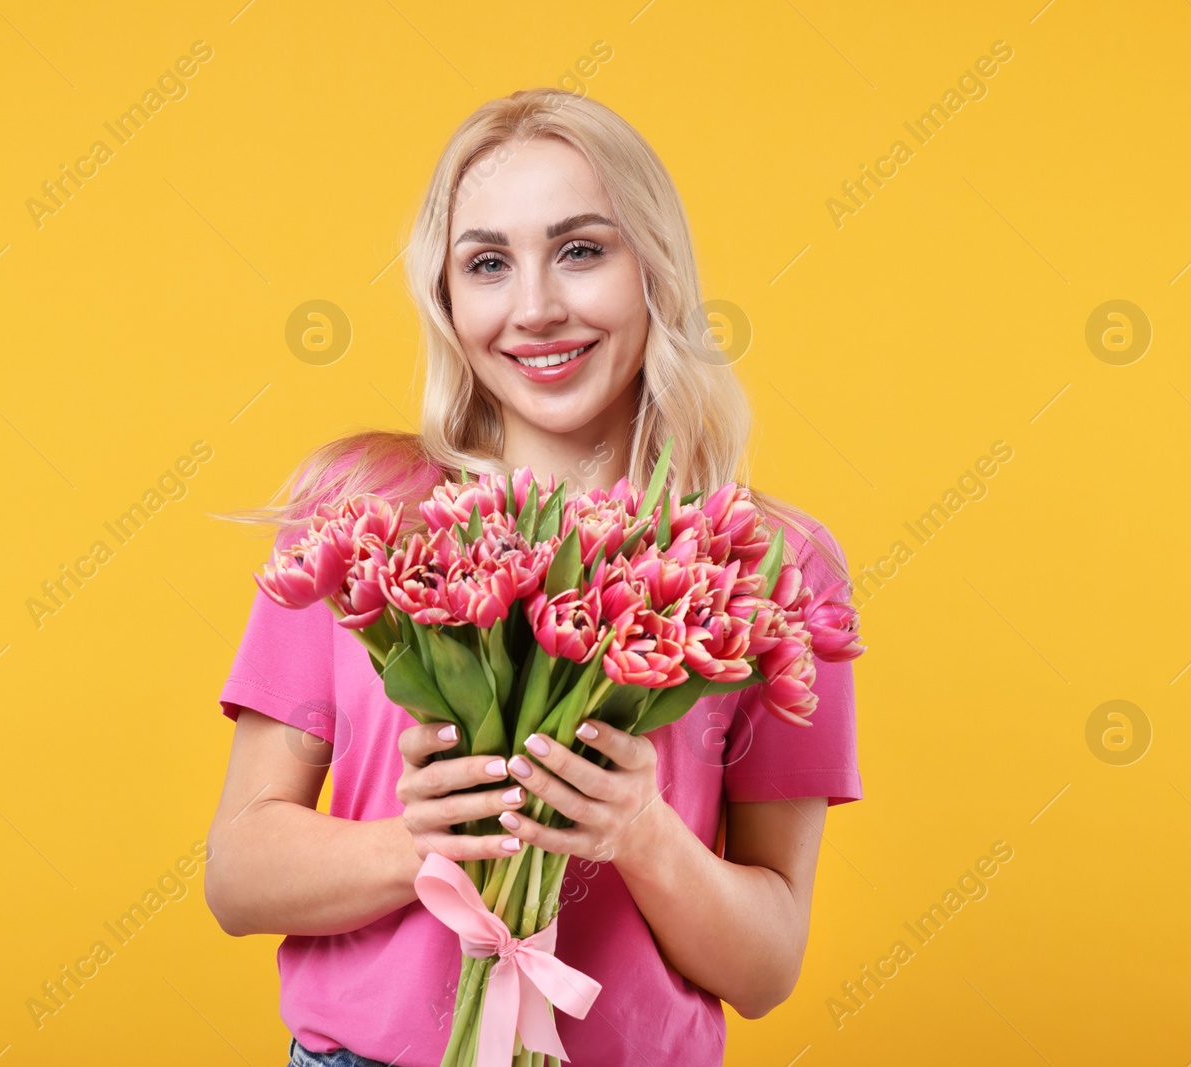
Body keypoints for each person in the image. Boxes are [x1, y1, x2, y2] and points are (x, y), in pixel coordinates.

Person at [204, 87, 862, 1067]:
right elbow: (237, 873)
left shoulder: (766, 562)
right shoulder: (364, 511)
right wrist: (417, 840)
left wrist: (641, 830)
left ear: (657, 269)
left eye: (582, 249)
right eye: (487, 264)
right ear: (446, 295)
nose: (536, 307)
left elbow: (766, 966)